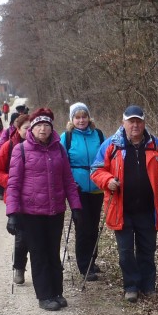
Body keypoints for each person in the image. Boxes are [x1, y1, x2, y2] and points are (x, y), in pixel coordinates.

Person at [90, 105, 158, 302]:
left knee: (147, 250)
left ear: (144, 123)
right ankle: (131, 286)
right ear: (123, 123)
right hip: (122, 208)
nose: (135, 125)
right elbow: (95, 170)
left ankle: (148, 286)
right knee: (126, 252)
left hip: (147, 208)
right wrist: (108, 181)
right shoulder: (112, 145)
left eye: (138, 121)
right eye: (131, 121)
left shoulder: (153, 144)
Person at [6, 108, 82, 311]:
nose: (42, 129)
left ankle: (57, 291)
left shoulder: (59, 149)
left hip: (55, 211)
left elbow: (67, 180)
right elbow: (13, 184)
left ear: (51, 128)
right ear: (32, 128)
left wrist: (75, 206)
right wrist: (12, 213)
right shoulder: (20, 150)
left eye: (46, 125)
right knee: (39, 254)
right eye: (38, 125)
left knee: (53, 253)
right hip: (31, 213)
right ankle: (44, 295)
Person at [60, 102, 105, 280]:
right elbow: (62, 162)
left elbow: (106, 156)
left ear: (89, 117)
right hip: (77, 188)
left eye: (84, 116)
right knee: (82, 226)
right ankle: (84, 265)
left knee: (93, 226)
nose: (81, 120)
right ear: (72, 119)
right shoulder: (67, 137)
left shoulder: (98, 134)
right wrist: (69, 182)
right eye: (77, 117)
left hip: (97, 187)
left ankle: (92, 260)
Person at [0, 113, 31, 283]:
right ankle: (19, 268)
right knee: (21, 237)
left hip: (39, 198)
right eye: (26, 129)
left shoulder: (45, 145)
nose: (29, 132)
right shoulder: (9, 146)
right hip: (17, 197)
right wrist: (13, 181)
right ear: (18, 129)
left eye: (32, 128)